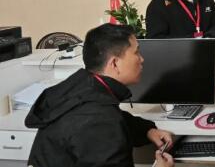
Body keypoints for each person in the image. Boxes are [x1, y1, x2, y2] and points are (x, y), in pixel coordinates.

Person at [26, 24, 174, 167]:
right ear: (115, 63)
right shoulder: (100, 120)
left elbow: (117, 117)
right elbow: (104, 121)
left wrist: (148, 131)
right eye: (136, 52)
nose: (141, 59)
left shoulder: (83, 86)